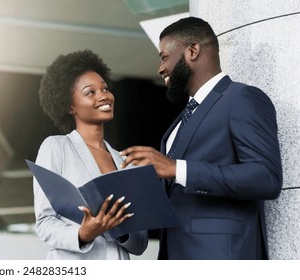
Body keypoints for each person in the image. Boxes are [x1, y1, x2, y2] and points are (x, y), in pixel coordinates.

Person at [120, 17, 283, 259]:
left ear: (193, 51)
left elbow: (266, 177)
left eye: (164, 57)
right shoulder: (177, 124)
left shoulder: (242, 98)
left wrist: (177, 168)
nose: (160, 68)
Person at [33, 49, 148, 259]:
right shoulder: (56, 148)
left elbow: (140, 244)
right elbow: (44, 223)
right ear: (69, 106)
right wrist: (83, 234)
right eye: (90, 92)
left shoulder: (126, 162)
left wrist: (120, 232)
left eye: (105, 88)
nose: (104, 96)